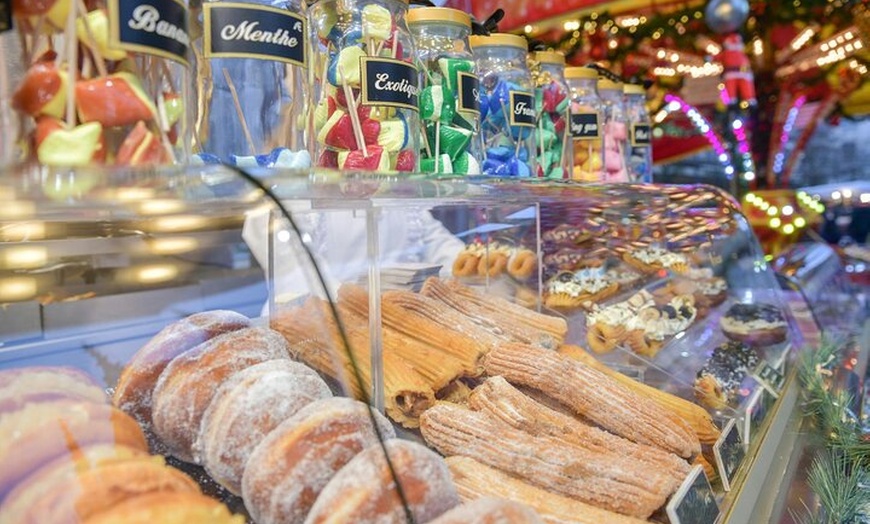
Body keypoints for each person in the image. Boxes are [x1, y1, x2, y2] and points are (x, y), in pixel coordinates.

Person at [243, 205, 466, 312]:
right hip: (320, 325)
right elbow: (294, 268)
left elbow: (437, 242)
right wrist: (357, 309)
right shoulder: (297, 175)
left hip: (402, 324)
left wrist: (474, 262)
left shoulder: (394, 184)